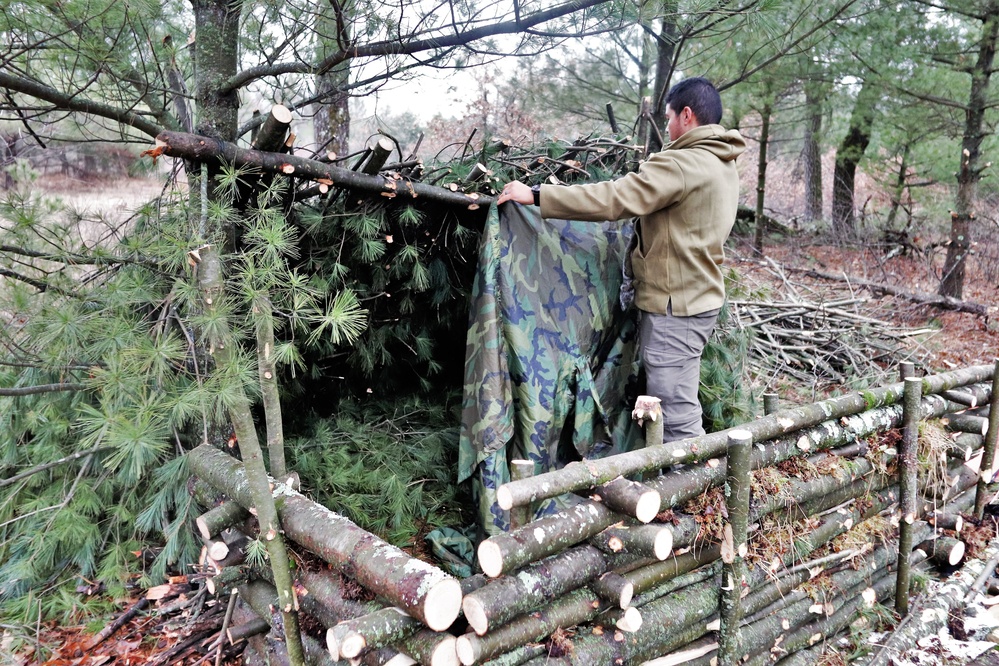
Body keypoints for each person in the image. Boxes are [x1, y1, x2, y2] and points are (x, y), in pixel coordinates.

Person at [496, 77, 746, 443]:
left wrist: (537, 195)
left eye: (668, 117)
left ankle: (691, 490)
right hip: (697, 297)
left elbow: (614, 199)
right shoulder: (722, 162)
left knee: (675, 411)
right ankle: (686, 485)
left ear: (687, 115)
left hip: (676, 306)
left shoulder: (683, 164)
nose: (667, 127)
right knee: (675, 400)